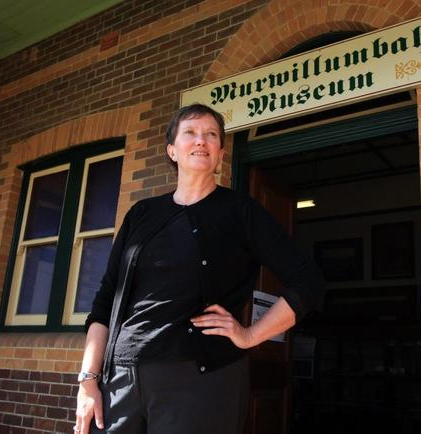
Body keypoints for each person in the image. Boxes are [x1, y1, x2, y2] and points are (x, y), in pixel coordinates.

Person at [74, 103, 324, 434]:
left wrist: (250, 335)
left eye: (211, 135)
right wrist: (88, 380)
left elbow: (308, 280)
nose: (201, 140)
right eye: (190, 132)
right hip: (121, 377)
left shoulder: (239, 211)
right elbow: (105, 300)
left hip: (199, 381)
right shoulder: (141, 214)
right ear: (172, 150)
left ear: (220, 152)